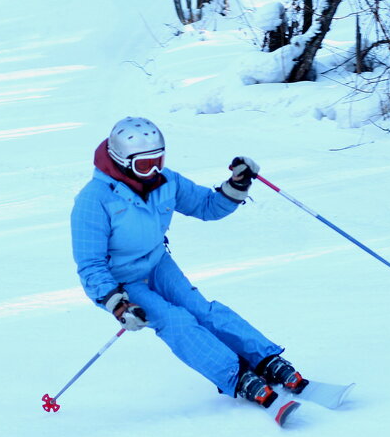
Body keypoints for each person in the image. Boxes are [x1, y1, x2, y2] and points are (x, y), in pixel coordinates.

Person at [70, 116, 308, 411]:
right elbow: (90, 264)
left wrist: (236, 185)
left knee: (202, 310)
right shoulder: (93, 200)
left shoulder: (166, 181)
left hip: (158, 263)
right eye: (144, 165)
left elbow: (206, 206)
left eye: (158, 159)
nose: (154, 170)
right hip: (123, 281)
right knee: (176, 321)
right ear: (121, 161)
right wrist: (117, 304)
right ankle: (235, 375)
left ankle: (265, 358)